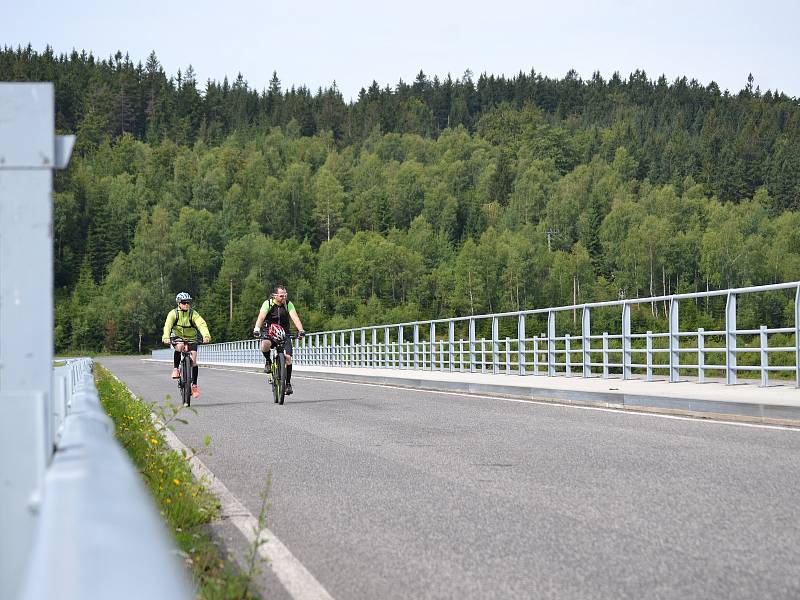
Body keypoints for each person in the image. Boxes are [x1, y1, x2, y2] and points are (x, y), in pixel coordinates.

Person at [253, 285, 305, 395]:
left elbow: (295, 317)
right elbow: (261, 317)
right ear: (275, 295)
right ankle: (268, 361)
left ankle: (288, 384)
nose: (284, 298)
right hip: (270, 332)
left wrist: (301, 330)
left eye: (285, 295)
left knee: (288, 358)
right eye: (281, 296)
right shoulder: (268, 303)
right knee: (264, 345)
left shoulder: (288, 304)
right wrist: (257, 329)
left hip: (284, 333)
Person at [162, 292, 211, 403]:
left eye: (188, 302)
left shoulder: (193, 314)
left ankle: (194, 385)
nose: (186, 304)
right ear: (179, 303)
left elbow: (201, 324)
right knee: (179, 347)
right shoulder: (173, 314)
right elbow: (168, 325)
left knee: (193, 361)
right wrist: (165, 337)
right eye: (184, 302)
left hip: (191, 338)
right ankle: (175, 369)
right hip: (177, 337)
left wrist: (206, 336)